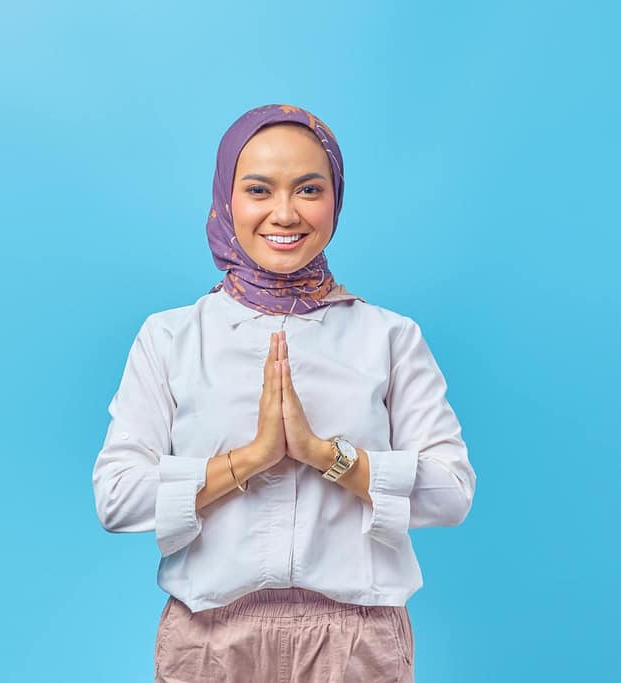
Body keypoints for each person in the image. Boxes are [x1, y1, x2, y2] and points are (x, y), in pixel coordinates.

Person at [91, 103, 477, 682]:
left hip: (357, 641)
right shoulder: (170, 337)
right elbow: (117, 498)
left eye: (308, 189)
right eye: (258, 189)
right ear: (226, 198)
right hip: (210, 641)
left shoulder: (390, 337)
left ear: (335, 199)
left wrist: (329, 457)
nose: (285, 212)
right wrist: (249, 460)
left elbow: (452, 492)